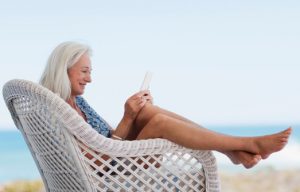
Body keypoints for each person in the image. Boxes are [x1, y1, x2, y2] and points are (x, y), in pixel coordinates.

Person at [40, 41, 292, 169]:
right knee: (157, 121)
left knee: (147, 110)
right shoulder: (59, 108)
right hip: (110, 171)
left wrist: (132, 115)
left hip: (116, 157)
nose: (90, 78)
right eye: (84, 71)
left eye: (90, 71)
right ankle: (243, 145)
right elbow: (98, 161)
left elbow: (103, 141)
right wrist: (127, 118)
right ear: (63, 68)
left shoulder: (75, 102)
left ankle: (231, 150)